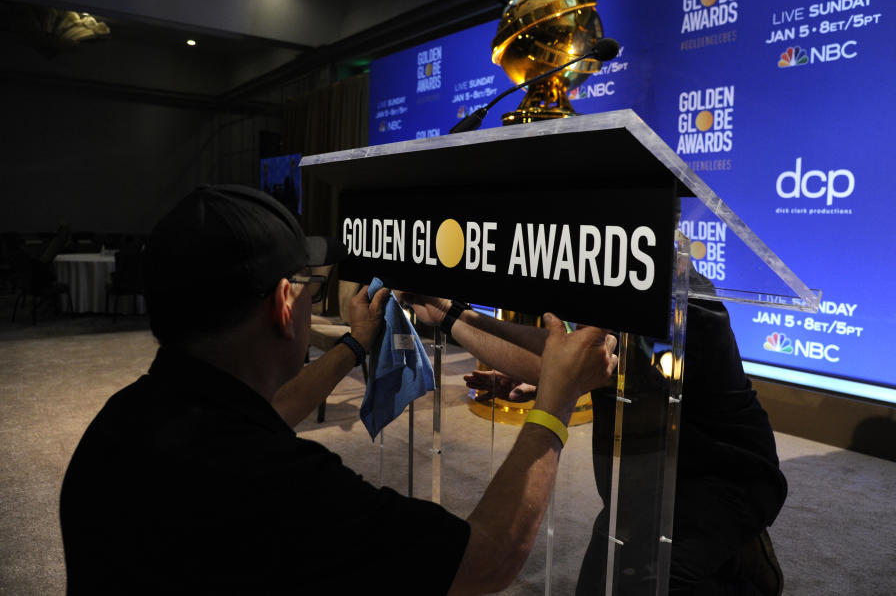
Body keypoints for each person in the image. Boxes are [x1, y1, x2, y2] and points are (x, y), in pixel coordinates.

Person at [59, 184, 618, 595]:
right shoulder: (280, 483)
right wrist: (554, 404)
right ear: (284, 303)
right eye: (308, 285)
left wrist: (355, 343)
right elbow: (487, 559)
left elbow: (272, 412)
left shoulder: (122, 422)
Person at [400, 273, 786, 596]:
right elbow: (610, 364)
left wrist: (448, 314)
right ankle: (737, 561)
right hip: (640, 475)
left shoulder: (673, 290)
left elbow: (562, 355)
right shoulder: (607, 277)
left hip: (720, 478)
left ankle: (743, 561)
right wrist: (549, 383)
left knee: (645, 582)